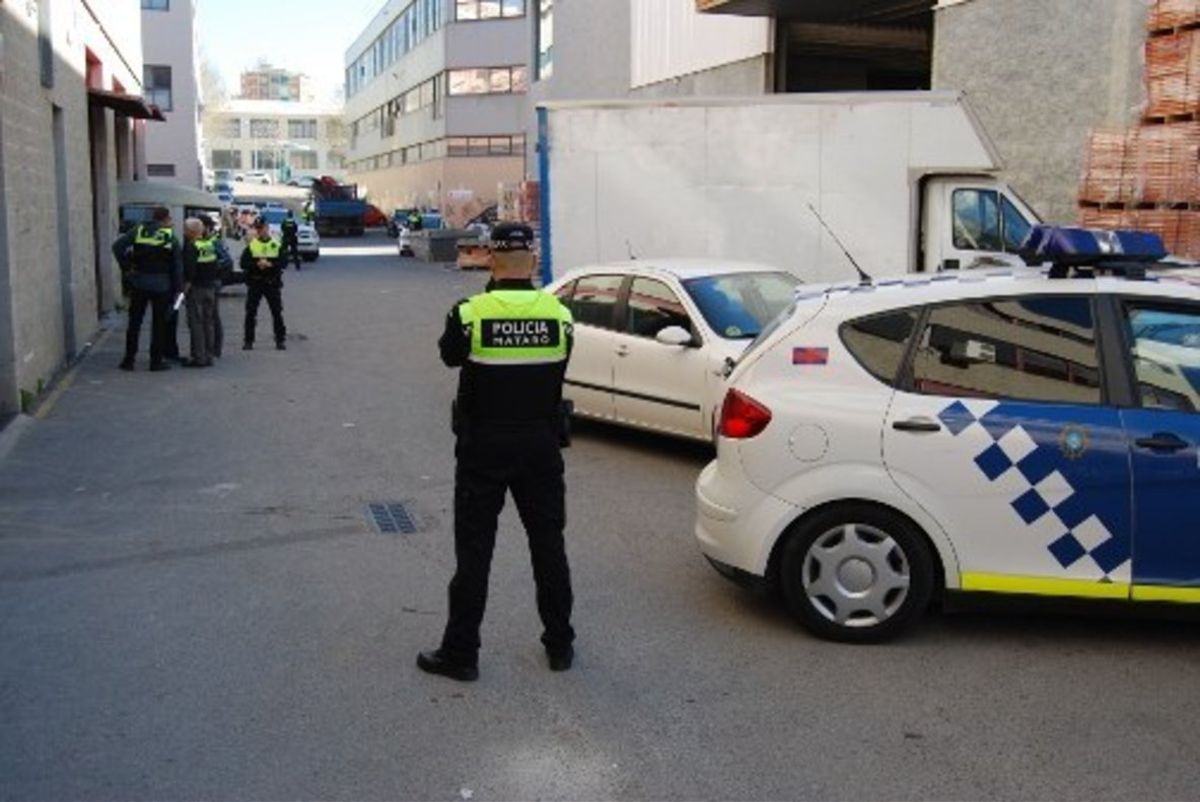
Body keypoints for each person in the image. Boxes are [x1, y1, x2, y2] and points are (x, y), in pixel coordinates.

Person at [418, 223, 576, 683]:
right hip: (541, 447)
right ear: (532, 262)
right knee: (549, 546)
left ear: (490, 259)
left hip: (483, 447)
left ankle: (461, 653)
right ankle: (560, 645)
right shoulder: (560, 314)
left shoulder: (469, 313)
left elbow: (450, 358)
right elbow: (560, 364)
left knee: (475, 552)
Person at [112, 207, 182, 372]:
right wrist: (178, 289)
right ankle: (155, 361)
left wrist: (127, 268)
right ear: (165, 219)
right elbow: (177, 266)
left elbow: (117, 247)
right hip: (162, 285)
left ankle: (129, 360)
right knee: (159, 324)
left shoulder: (138, 230)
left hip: (139, 283)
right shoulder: (170, 237)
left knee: (135, 322)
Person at [240, 218, 287, 351]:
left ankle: (280, 340)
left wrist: (271, 264)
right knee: (250, 312)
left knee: (277, 312)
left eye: (262, 228)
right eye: (258, 228)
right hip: (255, 282)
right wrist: (256, 264)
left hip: (272, 283)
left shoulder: (276, 244)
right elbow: (243, 264)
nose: (260, 230)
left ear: (267, 228)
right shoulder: (252, 245)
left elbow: (284, 263)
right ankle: (248, 341)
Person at [181, 218, 219, 367]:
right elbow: (215, 265)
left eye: (185, 229)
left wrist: (184, 290)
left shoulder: (191, 247)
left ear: (191, 232)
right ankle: (209, 355)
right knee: (208, 323)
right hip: (210, 288)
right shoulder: (208, 245)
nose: (184, 232)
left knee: (196, 324)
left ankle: (198, 357)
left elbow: (189, 271)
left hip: (196, 289)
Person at [201, 215, 233, 359]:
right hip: (205, 283)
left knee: (213, 317)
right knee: (207, 317)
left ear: (207, 227)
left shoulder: (214, 242)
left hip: (213, 282)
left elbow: (227, 261)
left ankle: (215, 349)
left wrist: (212, 269)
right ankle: (209, 348)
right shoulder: (203, 241)